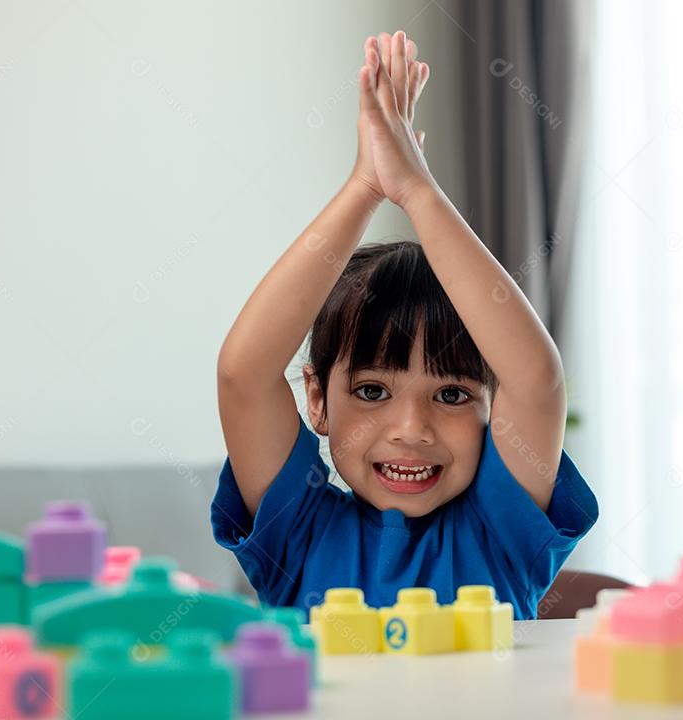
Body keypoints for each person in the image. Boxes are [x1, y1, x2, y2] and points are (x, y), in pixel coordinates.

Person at [211, 30, 598, 620]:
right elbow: (243, 374)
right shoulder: (299, 534)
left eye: (451, 394)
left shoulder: (501, 533)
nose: (412, 428)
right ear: (316, 398)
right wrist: (364, 189)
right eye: (371, 391)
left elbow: (536, 380)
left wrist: (417, 191)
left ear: (492, 408)